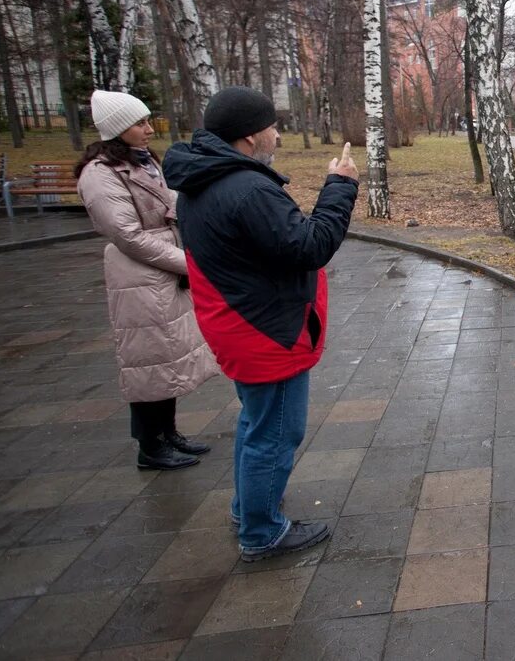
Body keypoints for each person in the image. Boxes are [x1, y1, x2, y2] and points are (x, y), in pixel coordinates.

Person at [163, 86, 359, 561]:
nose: (278, 133)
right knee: (275, 432)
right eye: (272, 125)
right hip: (267, 329)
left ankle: (248, 507)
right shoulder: (245, 188)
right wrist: (341, 186)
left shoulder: (205, 180)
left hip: (241, 321)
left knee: (257, 424)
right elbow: (309, 245)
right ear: (250, 137)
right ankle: (262, 531)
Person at [75, 90, 219, 471]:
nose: (149, 129)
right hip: (139, 275)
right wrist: (189, 263)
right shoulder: (100, 174)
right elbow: (128, 236)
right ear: (118, 129)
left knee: (165, 355)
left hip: (163, 271)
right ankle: (150, 445)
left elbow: (168, 201)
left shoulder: (141, 162)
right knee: (146, 359)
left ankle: (168, 433)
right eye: (140, 123)